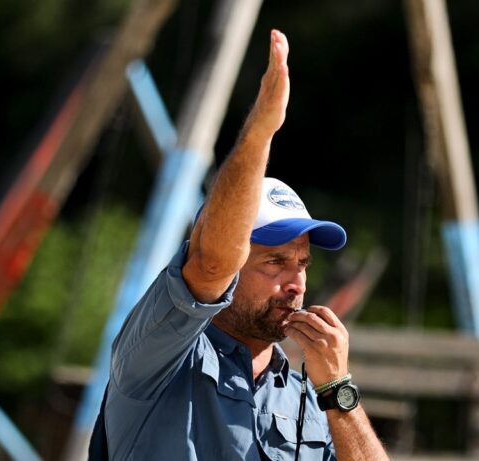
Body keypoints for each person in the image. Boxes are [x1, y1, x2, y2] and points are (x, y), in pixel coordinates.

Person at [100, 29, 389, 460]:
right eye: (275, 261)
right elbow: (211, 264)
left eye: (302, 263)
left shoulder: (311, 399)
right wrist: (261, 132)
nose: (297, 283)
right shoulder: (160, 352)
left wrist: (337, 389)